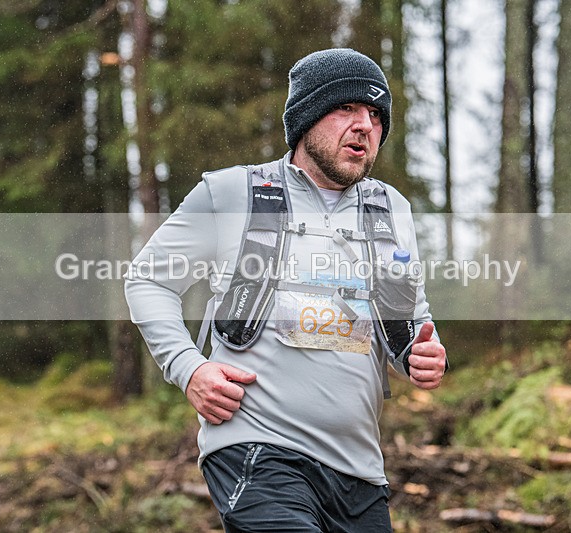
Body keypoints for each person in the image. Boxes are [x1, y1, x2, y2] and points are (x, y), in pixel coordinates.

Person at [125, 48, 447, 532]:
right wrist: (188, 368)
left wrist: (423, 351)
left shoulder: (390, 209)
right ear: (307, 118)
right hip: (257, 449)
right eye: (347, 109)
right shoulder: (232, 193)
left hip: (359, 468)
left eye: (377, 115)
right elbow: (148, 278)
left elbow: (408, 313)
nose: (365, 125)